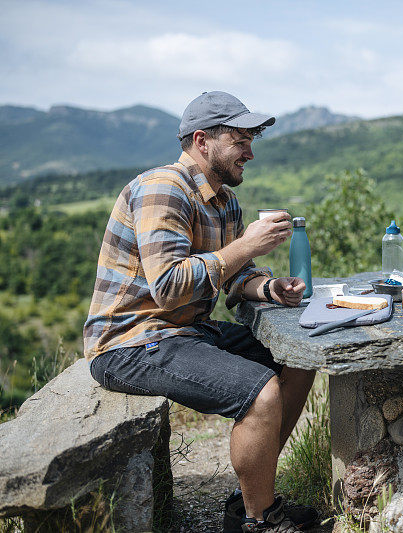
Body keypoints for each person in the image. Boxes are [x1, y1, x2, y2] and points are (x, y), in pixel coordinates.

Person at [83, 91, 317, 533]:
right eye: (240, 140)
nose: (250, 152)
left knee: (300, 359)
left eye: (251, 140)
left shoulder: (225, 202)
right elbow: (169, 287)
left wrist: (270, 287)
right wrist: (247, 243)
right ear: (202, 141)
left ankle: (248, 496)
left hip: (187, 332)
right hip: (131, 341)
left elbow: (233, 277)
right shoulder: (162, 189)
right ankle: (259, 520)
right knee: (261, 391)